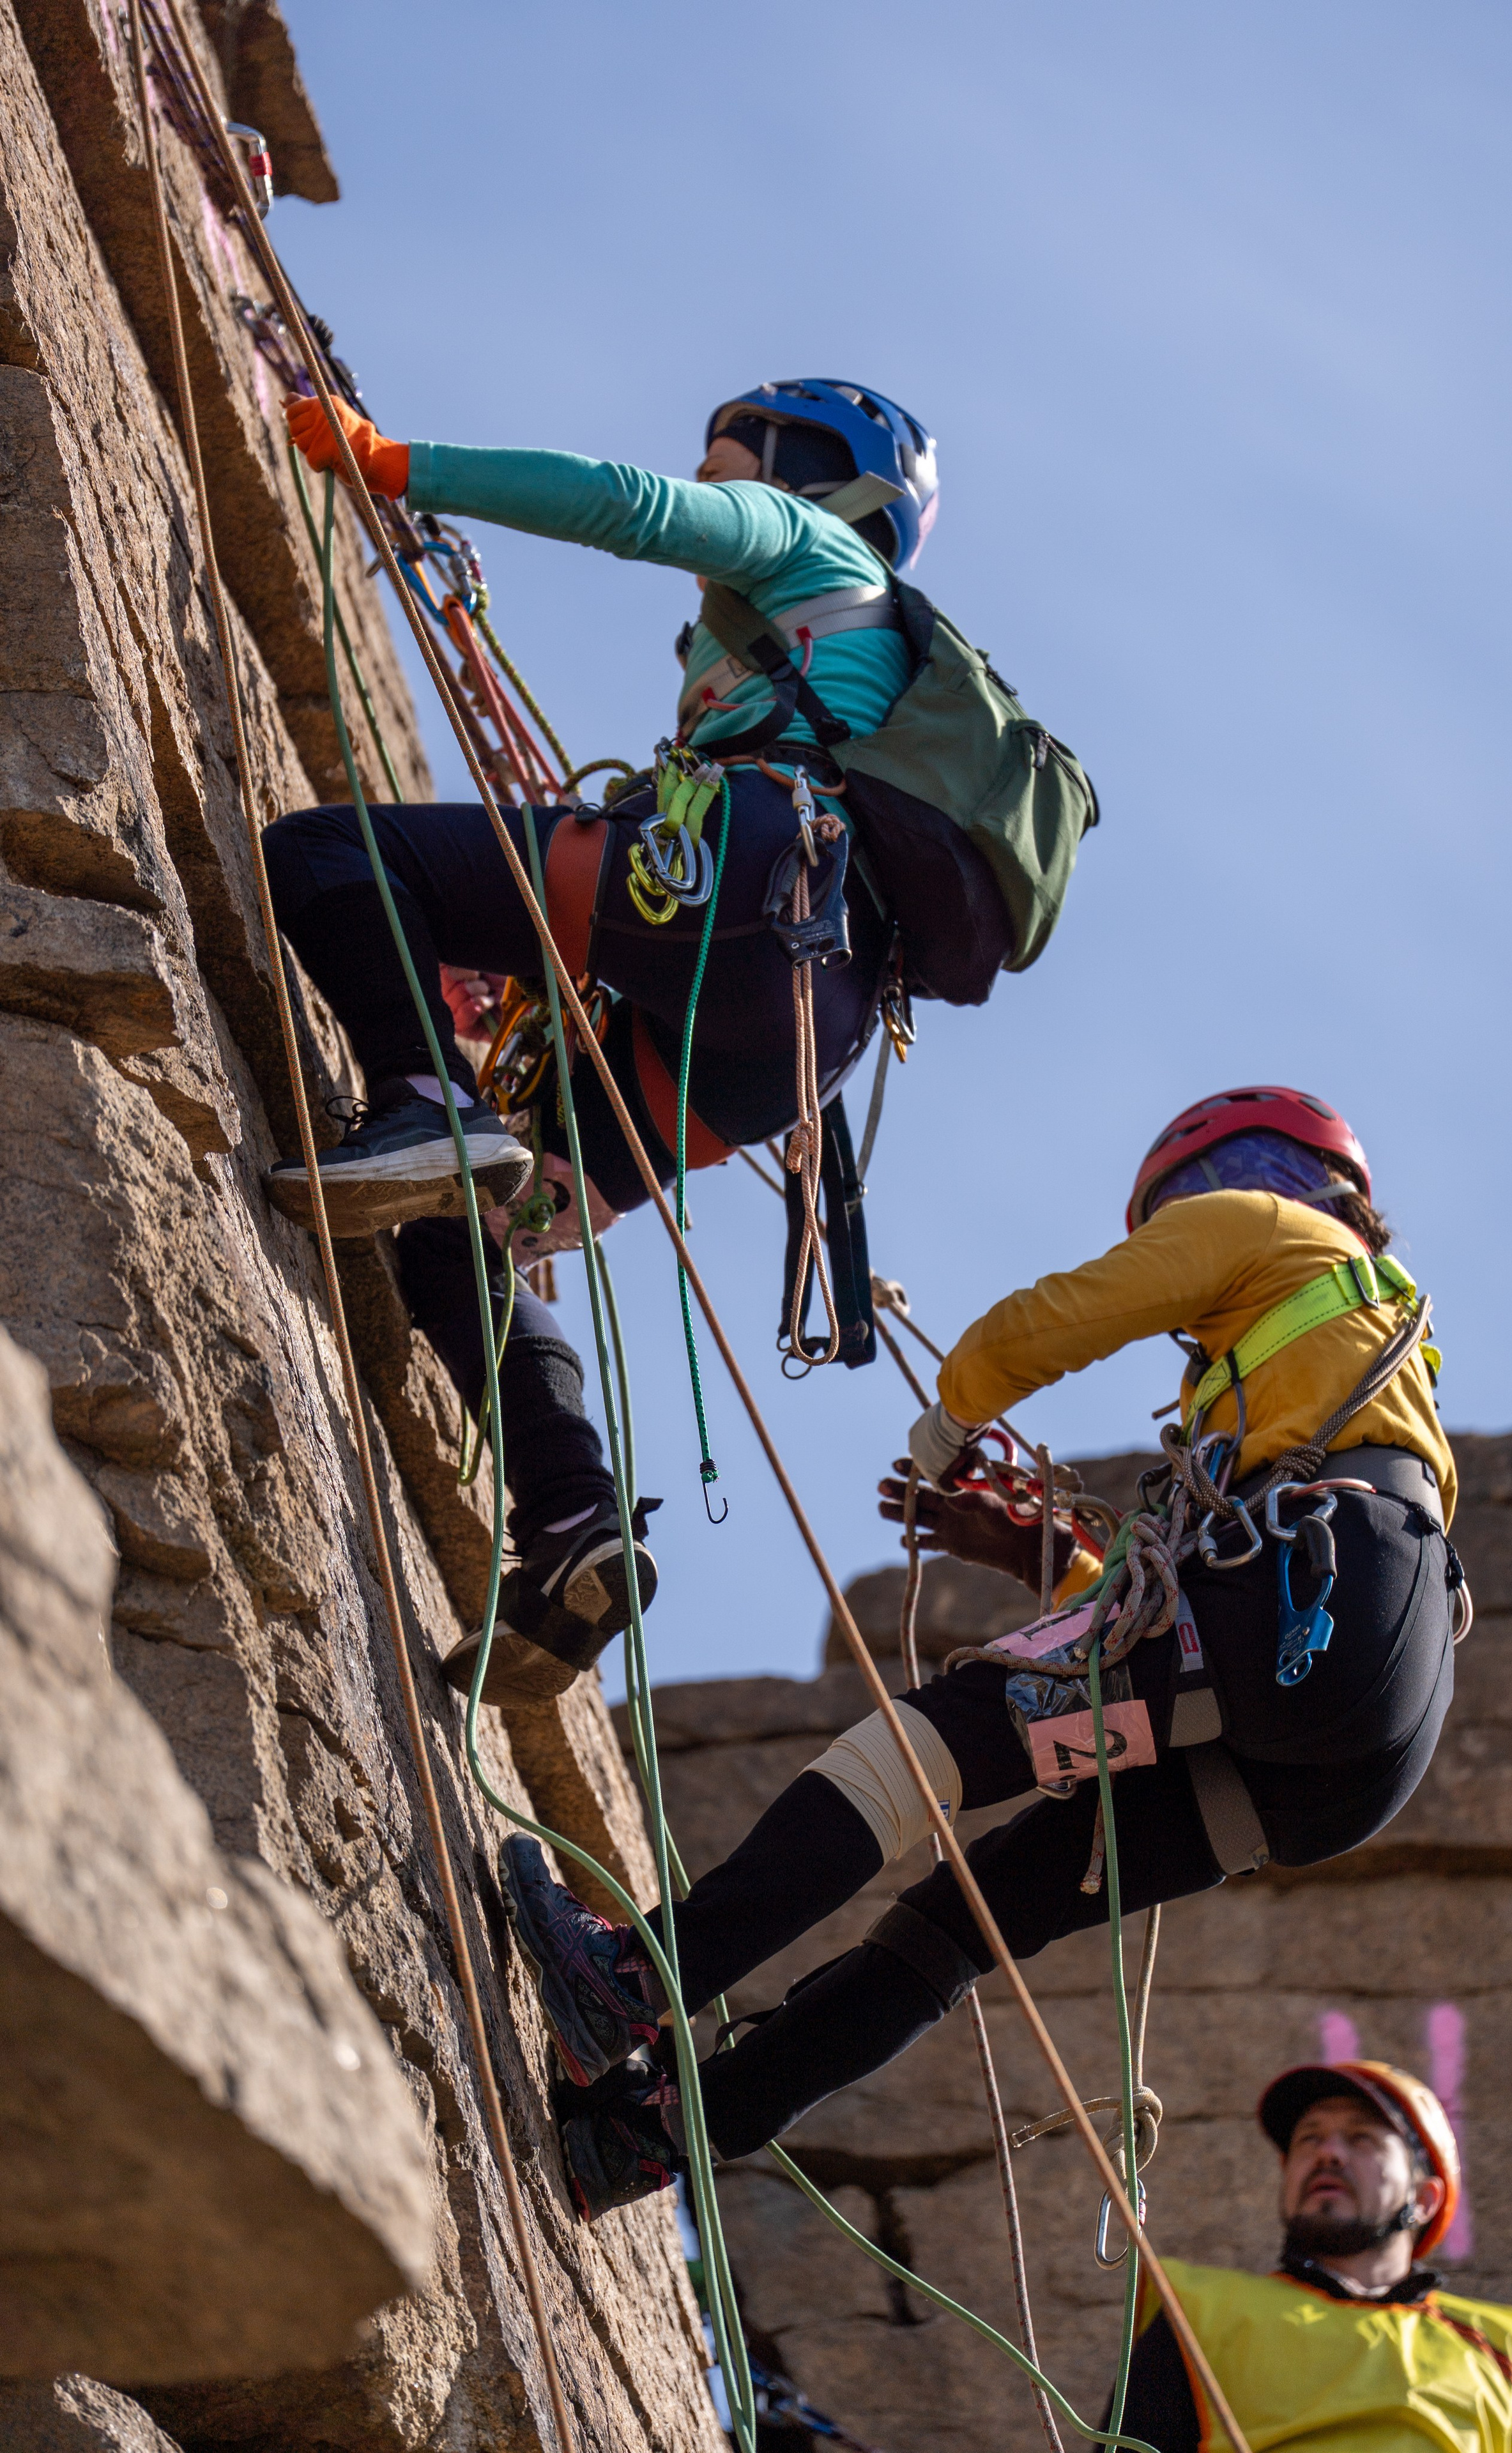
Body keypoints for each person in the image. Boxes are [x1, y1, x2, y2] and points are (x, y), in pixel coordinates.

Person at [496, 1087, 1468, 2220]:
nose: (1197, 1217)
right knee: (969, 1916)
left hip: (1306, 1611)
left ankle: (628, 1987)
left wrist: (955, 1410)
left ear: (1287, 1183)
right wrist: (1042, 1551)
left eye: (1197, 1195)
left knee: (931, 1748)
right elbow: (1183, 1664)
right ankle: (647, 2139)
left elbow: (1074, 1312)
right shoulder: (1362, 1371)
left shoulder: (1286, 1240)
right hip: (1344, 1738)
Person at [266, 380, 1092, 1708]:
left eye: (732, 459)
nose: (710, 479)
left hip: (743, 874)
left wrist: (392, 461)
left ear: (800, 468)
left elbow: (626, 508)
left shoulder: (818, 551)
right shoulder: (832, 658)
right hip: (802, 1038)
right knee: (461, 1227)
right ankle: (572, 1525)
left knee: (330, 856)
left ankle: (425, 1095)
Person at [1112, 2059, 1512, 2452]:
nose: (1328, 2153)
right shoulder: (1197, 2312)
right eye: (1309, 2138)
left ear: (1425, 2198)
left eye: (1362, 2138)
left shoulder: (1505, 2347)